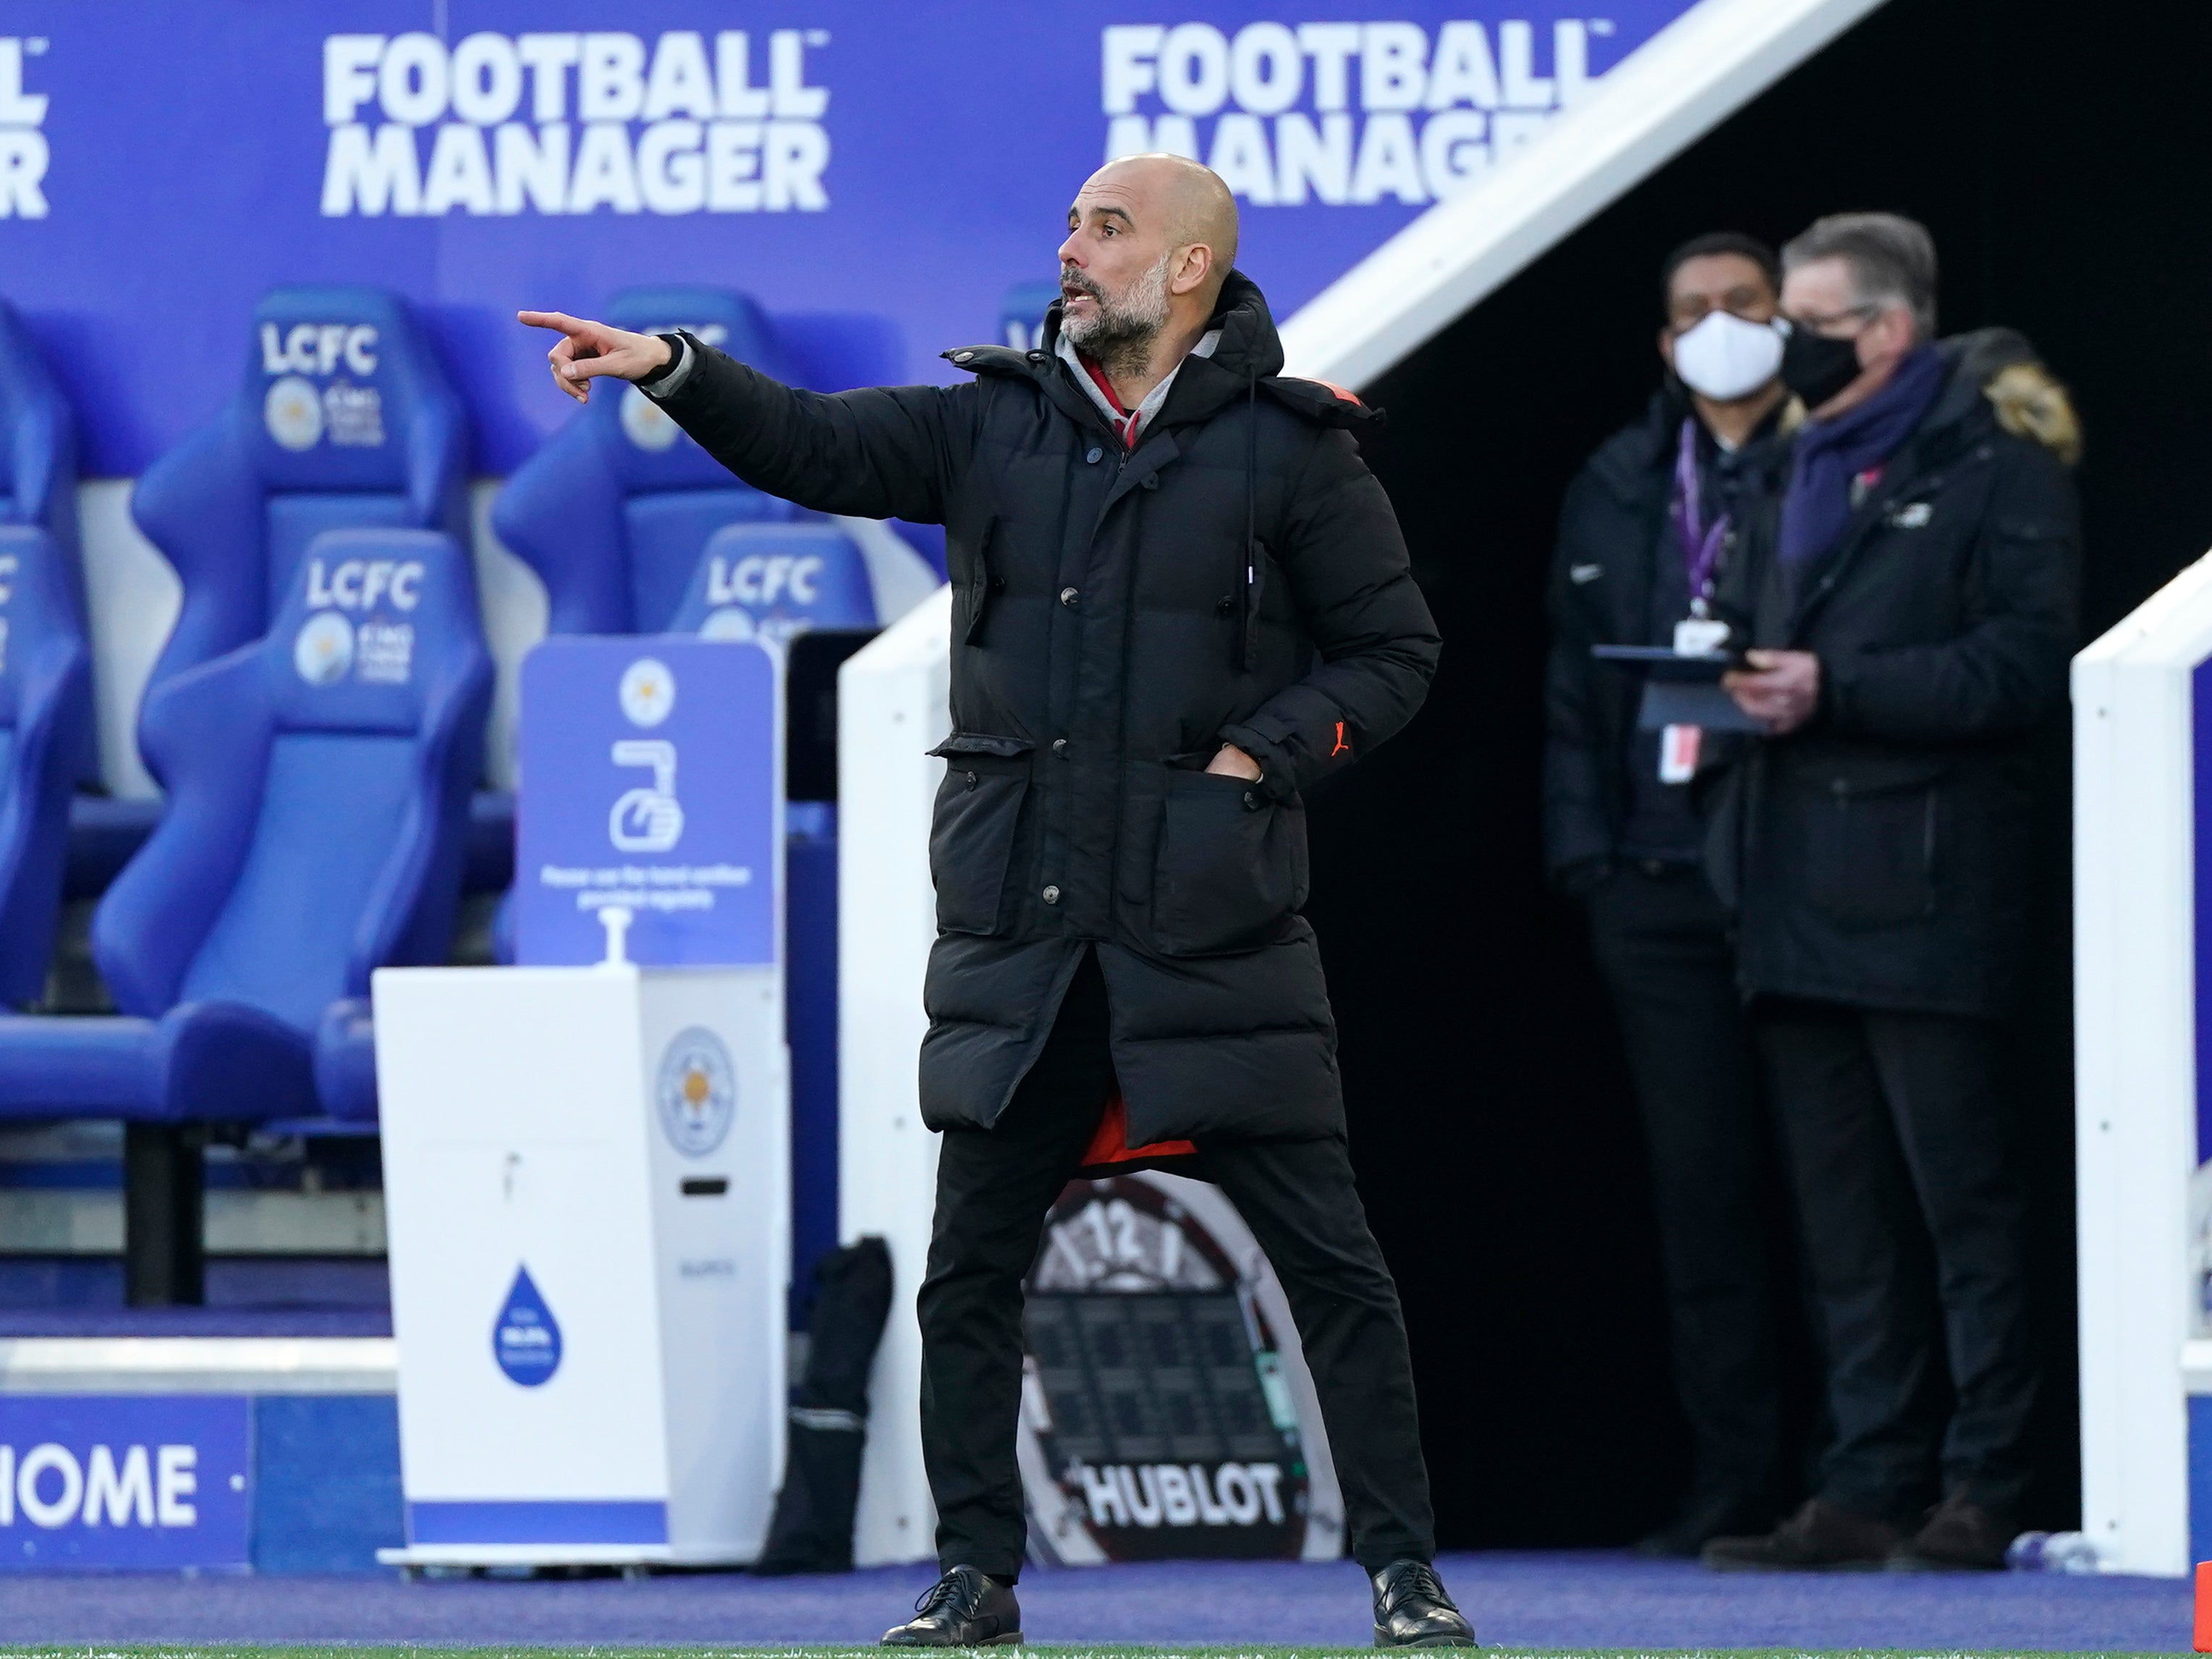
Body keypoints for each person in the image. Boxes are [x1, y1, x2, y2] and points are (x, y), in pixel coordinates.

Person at [520, 156, 1470, 1646]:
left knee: (1333, 1269)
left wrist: (1254, 756)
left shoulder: (1296, 453)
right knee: (967, 1270)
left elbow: (1393, 655)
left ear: (1186, 273)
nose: (1069, 249)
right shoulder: (993, 423)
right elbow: (817, 446)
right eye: (1071, 224)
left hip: (1211, 932)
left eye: (1108, 229)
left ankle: (1403, 1573)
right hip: (1022, 934)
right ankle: (976, 1576)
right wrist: (678, 372)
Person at [1700, 213, 2080, 1571]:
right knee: (1843, 1219)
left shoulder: (1994, 459)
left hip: (1928, 888)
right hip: (1788, 880)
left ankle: (1985, 1481)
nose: (1779, 339)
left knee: (1962, 1207)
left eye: (1803, 316)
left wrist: (1835, 689)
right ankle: (1864, 1481)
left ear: (1883, 330)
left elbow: (2027, 669)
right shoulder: (1784, 463)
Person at [1543, 232, 1799, 1556]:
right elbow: (1573, 688)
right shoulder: (1621, 477)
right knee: (1701, 1200)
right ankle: (1732, 1481)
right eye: (1690, 309)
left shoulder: (1827, 462)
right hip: (1649, 879)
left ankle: (1873, 1470)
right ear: (1662, 339)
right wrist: (1586, 856)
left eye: (1739, 306)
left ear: (1785, 320)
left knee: (1839, 1191)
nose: (1715, 328)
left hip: (1801, 875)